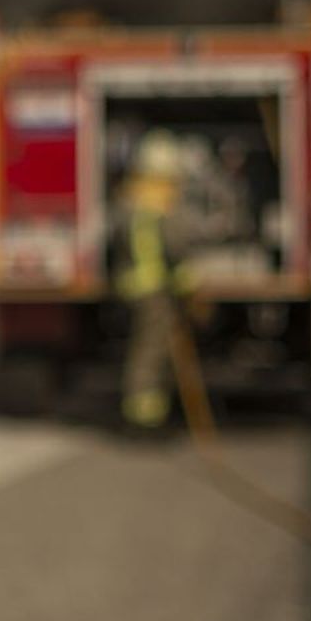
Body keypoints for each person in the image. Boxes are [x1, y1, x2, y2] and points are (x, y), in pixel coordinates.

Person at [113, 129, 197, 431]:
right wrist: (188, 285)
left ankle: (148, 409)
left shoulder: (130, 197)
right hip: (153, 290)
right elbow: (174, 249)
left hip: (133, 285)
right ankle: (144, 417)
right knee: (150, 350)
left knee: (146, 347)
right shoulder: (162, 202)